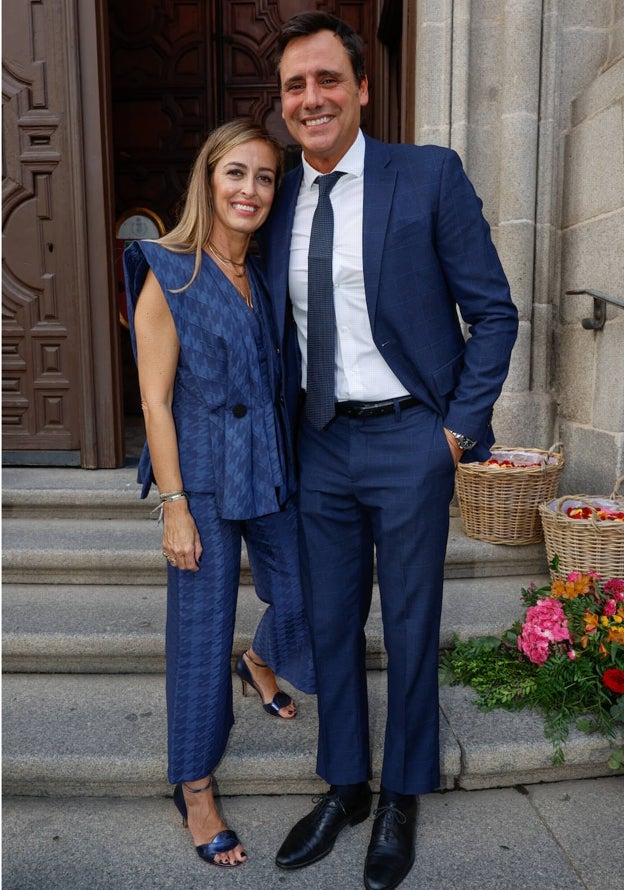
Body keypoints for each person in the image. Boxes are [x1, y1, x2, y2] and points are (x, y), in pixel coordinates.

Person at [257, 12, 519, 890]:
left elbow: (494, 313)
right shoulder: (276, 196)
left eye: (327, 79)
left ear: (362, 87)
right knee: (331, 623)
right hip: (320, 443)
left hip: (412, 436)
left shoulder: (428, 175)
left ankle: (402, 792)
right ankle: (346, 787)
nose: (311, 99)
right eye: (295, 86)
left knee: (408, 626)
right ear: (283, 103)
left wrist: (454, 432)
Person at [123, 118, 315, 869]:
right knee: (199, 637)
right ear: (209, 179)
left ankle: (261, 660)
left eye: (265, 177)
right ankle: (194, 787)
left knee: (304, 591)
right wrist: (174, 507)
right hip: (199, 473)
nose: (251, 190)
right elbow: (156, 401)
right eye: (237, 173)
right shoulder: (167, 268)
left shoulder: (263, 276)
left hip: (267, 464)